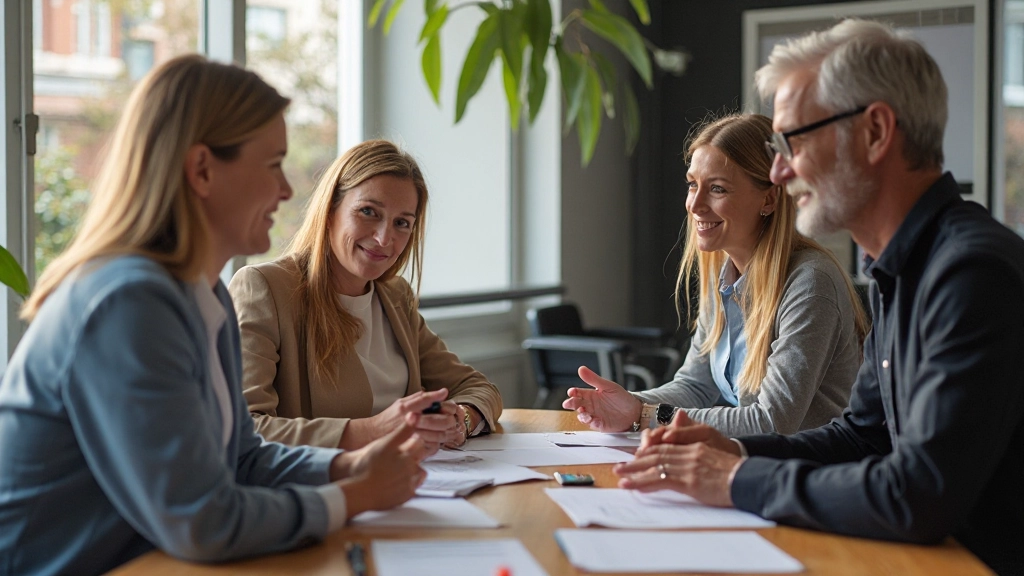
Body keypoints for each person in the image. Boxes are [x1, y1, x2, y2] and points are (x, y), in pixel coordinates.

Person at [613, 19, 1024, 576]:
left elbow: (920, 493)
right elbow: (862, 436)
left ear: (876, 132)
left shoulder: (970, 272)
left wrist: (735, 479)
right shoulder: (903, 268)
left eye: (793, 141)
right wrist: (730, 451)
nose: (780, 171)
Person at [0, 55, 427, 576]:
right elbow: (201, 520)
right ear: (202, 169)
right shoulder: (127, 304)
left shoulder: (206, 295)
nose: (288, 190)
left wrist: (345, 466)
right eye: (273, 165)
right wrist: (352, 496)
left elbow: (243, 459)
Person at [562, 113, 867, 437]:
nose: (695, 204)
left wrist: (647, 415)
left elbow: (772, 421)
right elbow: (695, 386)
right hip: (755, 468)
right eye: (693, 184)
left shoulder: (810, 284)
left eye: (717, 189)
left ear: (769, 198)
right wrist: (629, 406)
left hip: (808, 478)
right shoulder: (723, 278)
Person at [228, 139, 503, 453]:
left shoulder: (395, 297)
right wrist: (374, 430)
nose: (385, 238)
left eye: (402, 223)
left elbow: (478, 387)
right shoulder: (265, 287)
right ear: (330, 211)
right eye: (368, 212)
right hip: (323, 491)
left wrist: (461, 420)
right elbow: (245, 427)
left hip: (415, 483)